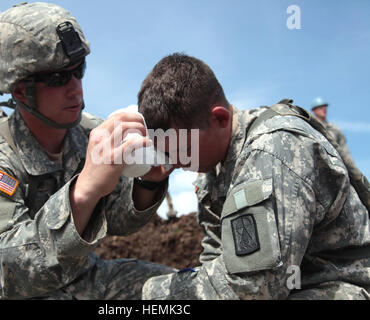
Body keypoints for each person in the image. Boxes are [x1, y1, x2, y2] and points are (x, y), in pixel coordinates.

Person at [0, 2, 174, 300]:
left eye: (78, 71)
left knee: (181, 291)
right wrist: (83, 192)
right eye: (58, 79)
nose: (76, 89)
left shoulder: (91, 134)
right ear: (21, 90)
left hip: (80, 280)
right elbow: (2, 270)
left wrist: (148, 181)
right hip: (4, 292)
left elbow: (118, 220)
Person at [138, 53, 370, 300]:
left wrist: (156, 294)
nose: (177, 163)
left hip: (340, 286)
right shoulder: (212, 169)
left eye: (183, 150)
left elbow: (255, 288)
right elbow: (215, 255)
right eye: (167, 153)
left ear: (219, 118)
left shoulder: (274, 148)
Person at [310, 97, 354, 165]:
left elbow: (344, 150)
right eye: (320, 108)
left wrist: (351, 167)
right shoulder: (310, 126)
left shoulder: (334, 129)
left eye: (325, 107)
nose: (324, 109)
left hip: (336, 165)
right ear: (314, 110)